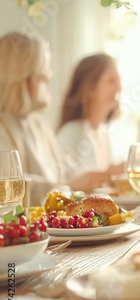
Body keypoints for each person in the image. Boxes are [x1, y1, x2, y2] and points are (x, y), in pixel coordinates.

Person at [0, 32, 118, 205]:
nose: (50, 76)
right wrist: (69, 186)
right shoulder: (4, 127)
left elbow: (63, 174)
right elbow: (8, 191)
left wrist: (98, 177)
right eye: (44, 68)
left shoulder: (39, 125)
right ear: (22, 76)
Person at [56, 53, 125, 182]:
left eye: (119, 79)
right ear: (91, 88)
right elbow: (61, 183)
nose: (119, 87)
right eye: (111, 80)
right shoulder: (70, 132)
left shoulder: (103, 131)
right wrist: (109, 174)